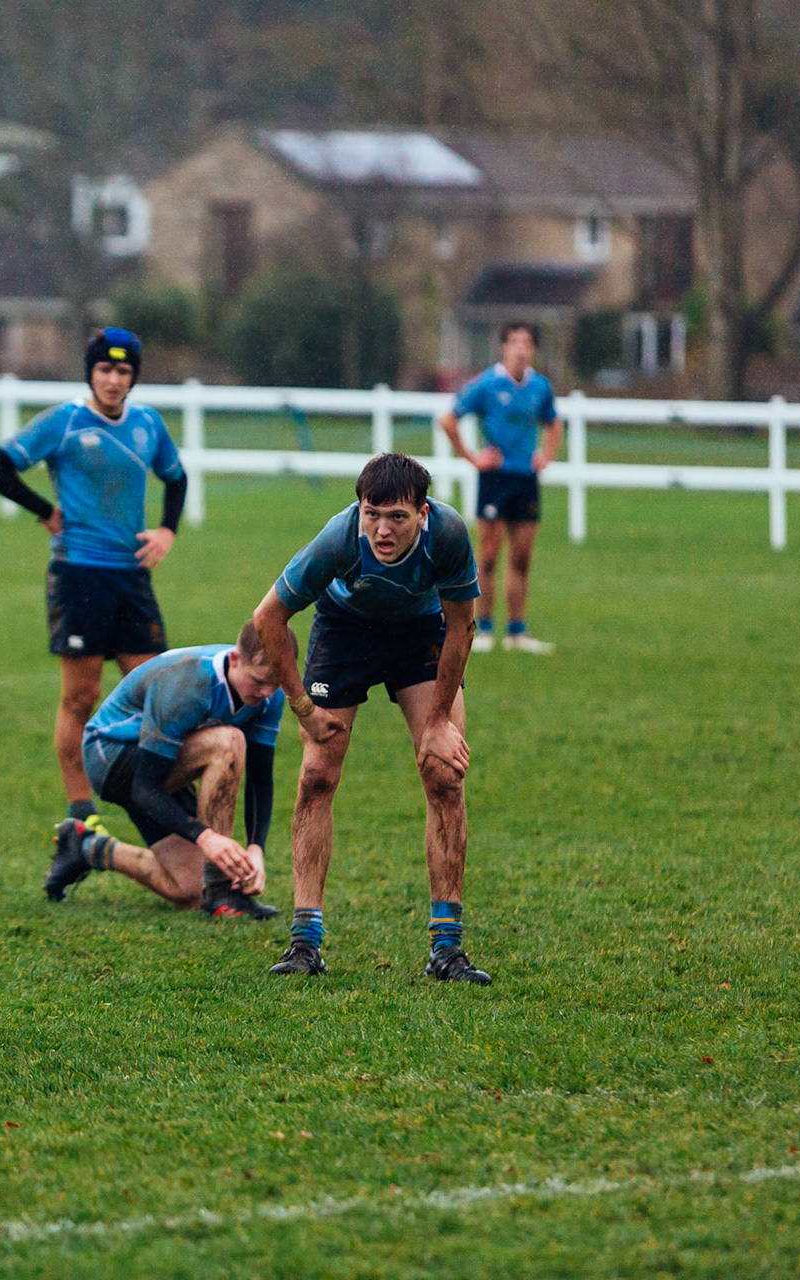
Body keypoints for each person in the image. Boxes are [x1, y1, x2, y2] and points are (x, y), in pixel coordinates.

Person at [251, 452, 491, 984]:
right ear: (359, 508)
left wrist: (438, 720)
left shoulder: (449, 535)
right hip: (345, 631)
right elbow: (267, 618)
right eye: (372, 514)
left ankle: (446, 948)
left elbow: (462, 626)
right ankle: (305, 943)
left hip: (421, 633)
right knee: (316, 776)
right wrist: (303, 708)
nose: (382, 530)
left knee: (444, 775)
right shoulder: (337, 540)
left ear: (423, 513)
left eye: (397, 517)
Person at [0, 328, 186, 828]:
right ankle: (80, 813)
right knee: (81, 697)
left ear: (134, 377)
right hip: (78, 577)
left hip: (131, 578)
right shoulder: (64, 422)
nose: (113, 380)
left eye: (123, 371)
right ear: (90, 373)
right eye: (104, 369)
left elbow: (176, 478)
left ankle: (161, 798)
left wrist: (166, 531)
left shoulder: (147, 424)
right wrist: (44, 510)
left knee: (154, 694)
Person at [43, 625, 284, 919]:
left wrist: (256, 848)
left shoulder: (269, 694)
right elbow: (144, 788)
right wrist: (205, 837)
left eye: (275, 684)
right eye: (258, 682)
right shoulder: (188, 681)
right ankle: (222, 889)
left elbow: (260, 778)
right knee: (228, 742)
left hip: (161, 761)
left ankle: (86, 847)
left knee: (191, 891)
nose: (266, 692)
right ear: (234, 659)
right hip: (109, 758)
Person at [437, 320, 561, 654]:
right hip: (494, 479)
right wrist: (473, 457)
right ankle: (484, 628)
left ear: (533, 349)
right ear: (504, 347)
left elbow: (554, 422)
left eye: (526, 343)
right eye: (514, 342)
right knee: (489, 556)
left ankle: (517, 631)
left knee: (521, 557)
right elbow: (448, 419)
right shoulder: (487, 384)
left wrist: (546, 456)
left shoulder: (540, 387)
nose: (520, 349)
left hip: (525, 479)